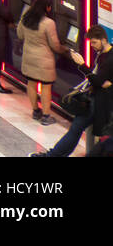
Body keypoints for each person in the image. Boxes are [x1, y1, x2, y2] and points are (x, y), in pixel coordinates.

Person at [35, 25, 113, 157]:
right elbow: (101, 82)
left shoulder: (109, 59)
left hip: (100, 103)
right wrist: (100, 81)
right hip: (97, 100)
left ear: (103, 40)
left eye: (94, 42)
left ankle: (52, 155)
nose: (92, 46)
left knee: (78, 131)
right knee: (76, 130)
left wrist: (82, 66)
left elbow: (98, 81)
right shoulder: (104, 55)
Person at [18, 0, 83, 125]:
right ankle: (46, 116)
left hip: (28, 57)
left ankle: (36, 111)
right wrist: (65, 49)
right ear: (47, 8)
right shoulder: (48, 23)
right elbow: (55, 45)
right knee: (46, 87)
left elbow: (20, 35)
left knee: (31, 84)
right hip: (43, 61)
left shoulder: (25, 18)